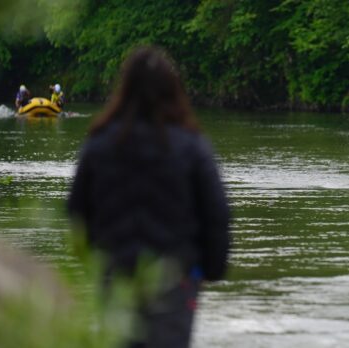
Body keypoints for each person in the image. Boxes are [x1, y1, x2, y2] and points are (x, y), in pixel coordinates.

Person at [67, 46, 230, 348]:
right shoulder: (192, 146)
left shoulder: (98, 144)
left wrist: (96, 262)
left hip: (115, 274)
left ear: (124, 89)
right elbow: (217, 214)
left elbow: (76, 212)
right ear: (172, 90)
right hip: (175, 279)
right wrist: (211, 269)